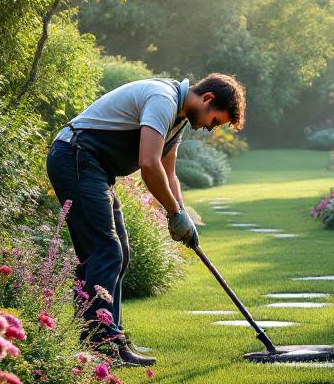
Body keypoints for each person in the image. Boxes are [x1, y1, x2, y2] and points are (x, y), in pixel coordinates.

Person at [46, 73, 245, 366]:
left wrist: (183, 215)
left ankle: (108, 336)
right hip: (75, 157)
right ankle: (101, 343)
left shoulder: (178, 119)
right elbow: (148, 164)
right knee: (105, 251)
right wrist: (174, 213)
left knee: (119, 253)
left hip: (92, 167)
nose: (208, 127)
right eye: (214, 121)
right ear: (207, 99)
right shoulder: (162, 99)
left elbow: (168, 173)